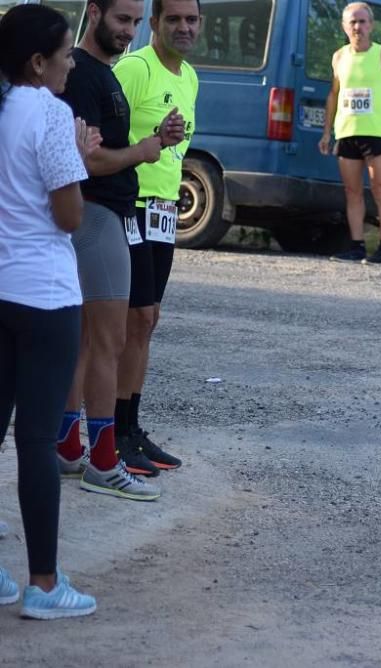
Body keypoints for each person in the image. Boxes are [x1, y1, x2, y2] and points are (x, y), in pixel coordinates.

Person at [56, 0, 185, 499]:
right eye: (121, 20)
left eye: (134, 21)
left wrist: (154, 138)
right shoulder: (85, 74)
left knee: (87, 342)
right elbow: (87, 160)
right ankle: (104, 461)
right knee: (107, 342)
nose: (128, 32)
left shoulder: (102, 72)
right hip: (99, 214)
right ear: (93, 12)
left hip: (102, 214)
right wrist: (143, 151)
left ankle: (70, 448)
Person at [0, 3, 99, 618]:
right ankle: (43, 583)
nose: (70, 64)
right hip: (46, 294)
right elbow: (69, 216)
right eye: (64, 55)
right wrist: (80, 159)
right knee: (37, 439)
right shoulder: (51, 113)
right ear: (38, 62)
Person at [111, 0, 201, 472]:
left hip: (163, 210)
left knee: (148, 320)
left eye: (192, 19)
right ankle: (109, 434)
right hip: (130, 204)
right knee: (131, 319)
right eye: (174, 19)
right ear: (156, 23)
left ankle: (129, 426)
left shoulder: (189, 77)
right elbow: (102, 139)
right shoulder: (134, 69)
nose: (184, 27)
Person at [318, 1, 381, 265]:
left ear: (371, 25)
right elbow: (333, 94)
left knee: (380, 189)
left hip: (376, 133)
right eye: (352, 22)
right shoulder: (339, 57)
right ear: (345, 27)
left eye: (362, 21)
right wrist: (326, 133)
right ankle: (356, 247)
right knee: (352, 191)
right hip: (346, 133)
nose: (358, 26)